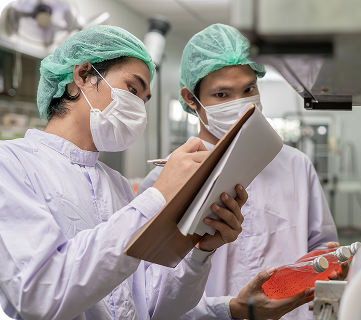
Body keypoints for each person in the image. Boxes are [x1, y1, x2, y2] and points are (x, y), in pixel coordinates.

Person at [0, 25, 248, 320]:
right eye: (132, 89)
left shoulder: (115, 185)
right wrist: (158, 196)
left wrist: (200, 252)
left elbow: (151, 305)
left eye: (144, 99)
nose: (139, 108)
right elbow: (40, 294)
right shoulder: (11, 165)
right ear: (82, 75)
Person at [138, 23, 343, 320]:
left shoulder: (295, 165)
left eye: (248, 89)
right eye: (222, 95)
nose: (241, 105)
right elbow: (148, 295)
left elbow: (320, 246)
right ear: (190, 98)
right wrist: (229, 310)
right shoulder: (164, 181)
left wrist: (330, 262)